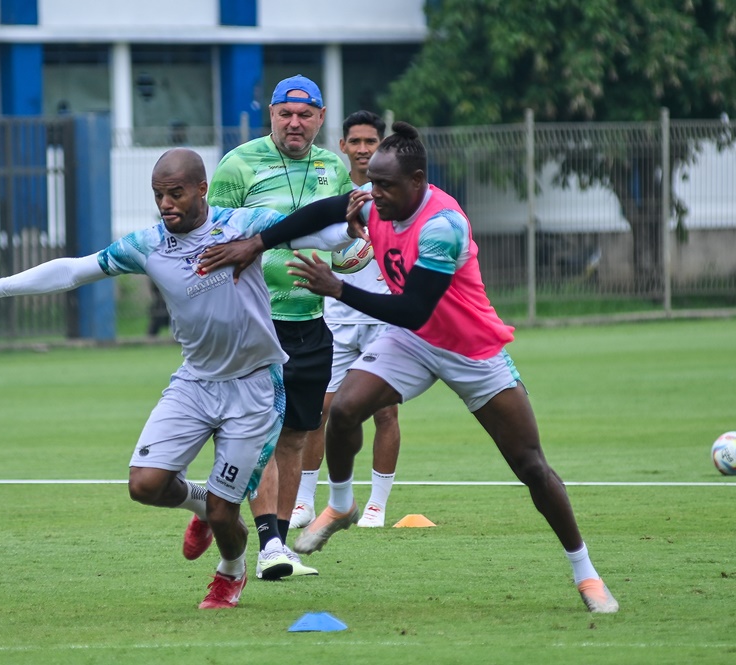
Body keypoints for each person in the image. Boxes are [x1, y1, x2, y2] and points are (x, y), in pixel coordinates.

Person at [197, 122, 619, 613]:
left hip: (470, 348)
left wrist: (337, 289)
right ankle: (341, 504)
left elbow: (415, 308)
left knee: (531, 466)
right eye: (371, 184)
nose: (374, 195)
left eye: (386, 185)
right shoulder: (376, 203)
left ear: (418, 180)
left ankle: (585, 573)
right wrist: (257, 243)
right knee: (345, 408)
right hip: (413, 343)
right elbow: (316, 212)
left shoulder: (442, 225)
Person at [0, 148, 357, 609]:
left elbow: (315, 227)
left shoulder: (242, 225)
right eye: (159, 195)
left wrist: (349, 234)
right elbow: (75, 269)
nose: (166, 204)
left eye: (176, 193)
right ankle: (201, 503)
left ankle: (231, 571)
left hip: (254, 387)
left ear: (202, 189)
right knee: (144, 485)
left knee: (227, 513)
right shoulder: (148, 245)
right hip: (195, 383)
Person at [200, 74, 354, 580]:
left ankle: (274, 542)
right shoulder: (238, 164)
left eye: (305, 114)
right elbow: (211, 240)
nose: (294, 123)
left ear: (320, 118)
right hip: (254, 324)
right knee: (262, 434)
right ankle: (266, 543)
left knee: (294, 437)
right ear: (271, 114)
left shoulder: (334, 166)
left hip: (311, 322)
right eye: (285, 114)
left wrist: (354, 252)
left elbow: (350, 230)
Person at [292, 110, 401, 530]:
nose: (361, 149)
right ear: (342, 146)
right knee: (319, 411)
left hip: (383, 318)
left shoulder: (392, 195)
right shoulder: (332, 192)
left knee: (385, 412)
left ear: (381, 147)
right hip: (336, 318)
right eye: (354, 142)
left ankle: (376, 504)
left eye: (369, 142)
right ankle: (304, 500)